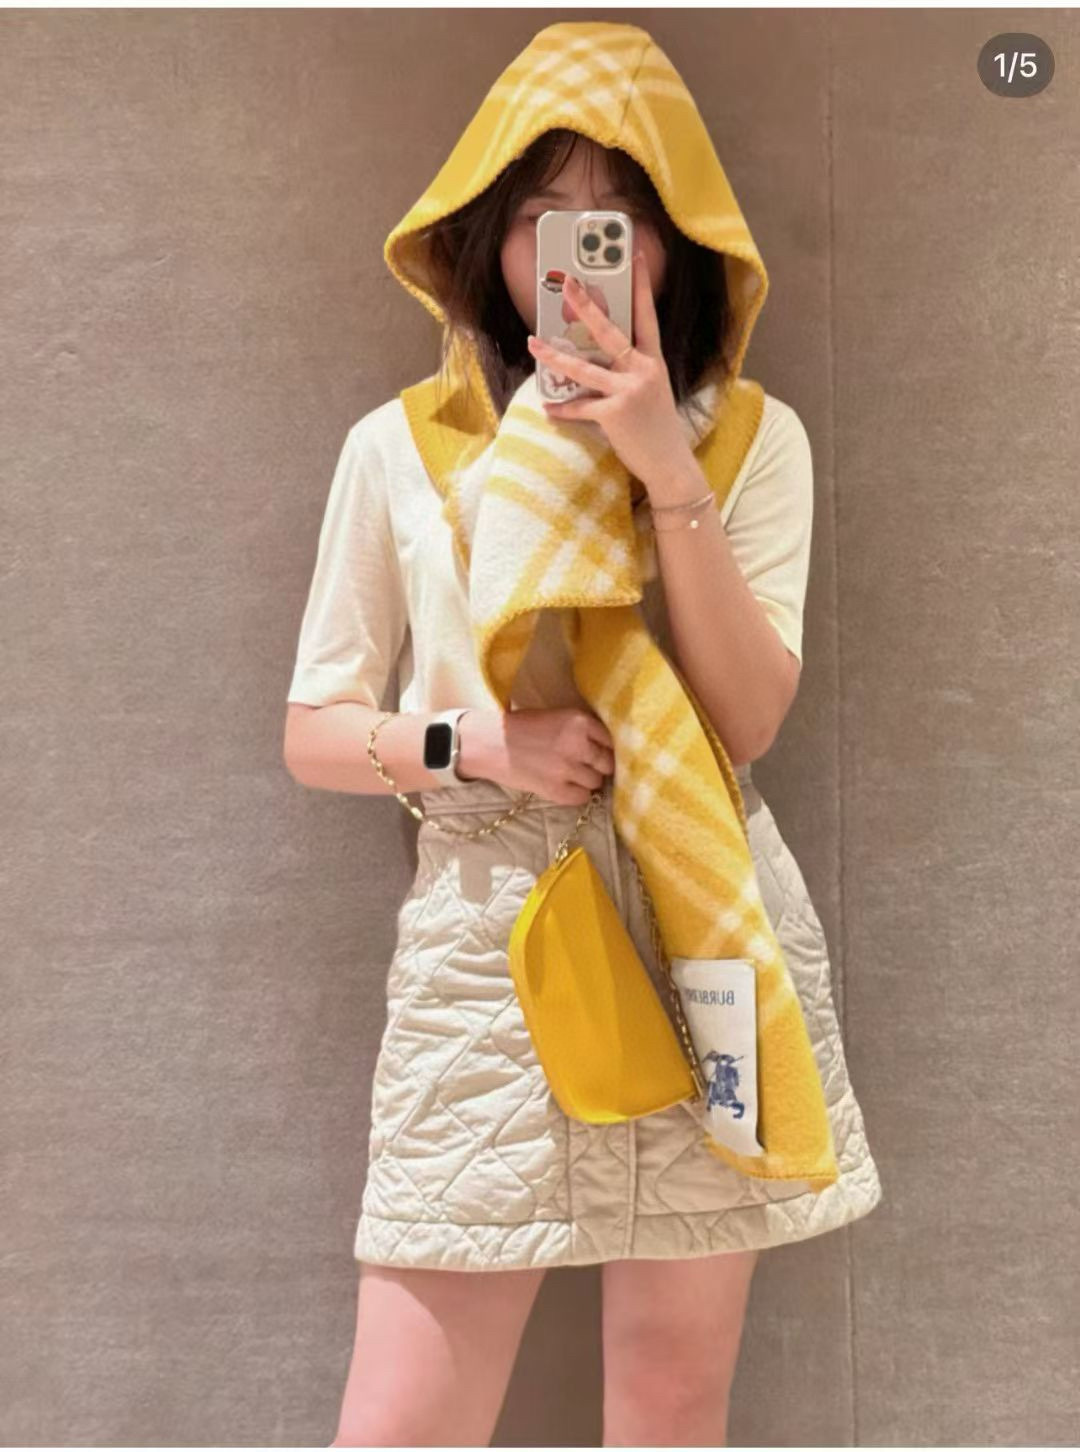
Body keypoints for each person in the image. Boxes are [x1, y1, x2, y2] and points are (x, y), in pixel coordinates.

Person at [283, 20, 882, 1449]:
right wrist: (480, 746)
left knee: (671, 1409)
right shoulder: (404, 445)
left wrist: (664, 467)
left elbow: (748, 717)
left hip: (697, 926)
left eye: (618, 219)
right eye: (542, 217)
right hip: (486, 946)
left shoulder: (751, 441)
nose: (577, 251)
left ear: (674, 247)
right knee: (403, 1423)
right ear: (487, 239)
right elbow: (314, 730)